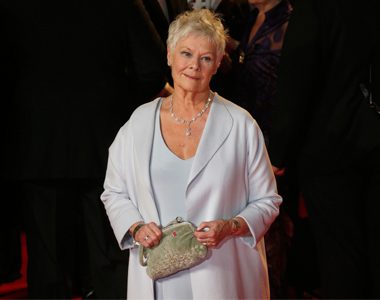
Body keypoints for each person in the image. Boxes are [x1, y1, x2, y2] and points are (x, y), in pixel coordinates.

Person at [101, 9, 282, 299]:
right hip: (159, 276)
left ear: (217, 65)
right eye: (186, 54)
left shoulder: (241, 124)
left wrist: (231, 227)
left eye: (206, 58)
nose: (194, 66)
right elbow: (114, 191)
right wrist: (134, 227)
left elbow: (268, 200)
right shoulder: (139, 122)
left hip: (221, 273)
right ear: (170, 55)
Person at [1, 0, 171, 298]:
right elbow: (153, 69)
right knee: (109, 257)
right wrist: (113, 106)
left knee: (48, 265)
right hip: (103, 146)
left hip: (37, 148)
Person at [268, 0, 380, 298]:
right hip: (371, 138)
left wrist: (278, 152)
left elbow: (296, 84)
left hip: (331, 148)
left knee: (341, 254)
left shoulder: (316, 7)